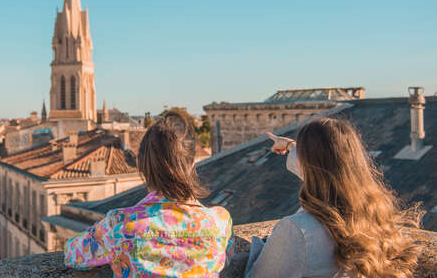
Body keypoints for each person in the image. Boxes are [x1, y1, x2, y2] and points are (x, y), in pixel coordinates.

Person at [245, 117, 423, 278]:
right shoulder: (375, 213)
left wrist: (259, 248)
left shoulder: (297, 229)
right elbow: (324, 164)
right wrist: (291, 145)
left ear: (305, 163)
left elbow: (257, 275)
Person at [64, 110, 233, 278]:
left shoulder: (118, 225)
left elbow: (71, 255)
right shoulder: (220, 222)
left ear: (139, 163)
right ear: (191, 164)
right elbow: (227, 258)